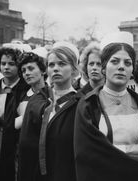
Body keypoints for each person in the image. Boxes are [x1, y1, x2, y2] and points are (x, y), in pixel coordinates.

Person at [74, 31, 138, 181]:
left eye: (127, 63)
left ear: (132, 71)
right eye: (115, 61)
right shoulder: (88, 104)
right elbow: (89, 153)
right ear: (104, 68)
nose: (121, 67)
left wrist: (112, 149)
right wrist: (130, 150)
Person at [18, 42, 82, 181]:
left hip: (66, 171)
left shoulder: (81, 103)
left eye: (62, 64)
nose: (56, 69)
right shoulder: (37, 100)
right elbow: (25, 145)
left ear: (74, 70)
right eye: (51, 65)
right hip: (36, 173)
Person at [0, 46, 30, 181]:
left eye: (11, 64)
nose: (6, 67)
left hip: (16, 145)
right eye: (3, 63)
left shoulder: (26, 89)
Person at [15, 52, 47, 129]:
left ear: (42, 71)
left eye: (31, 68)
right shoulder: (19, 95)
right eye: (23, 71)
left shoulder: (51, 94)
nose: (27, 73)